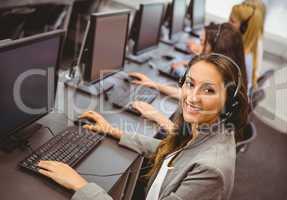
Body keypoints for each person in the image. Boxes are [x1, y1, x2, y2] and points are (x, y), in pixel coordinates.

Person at [37, 53, 249, 200]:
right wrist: (114, 131)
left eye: (208, 90)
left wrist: (80, 185)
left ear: (229, 101)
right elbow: (174, 153)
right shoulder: (211, 131)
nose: (192, 97)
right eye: (190, 84)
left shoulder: (211, 170)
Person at [229, 1, 265, 91]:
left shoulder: (241, 58)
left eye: (232, 21)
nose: (227, 23)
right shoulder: (245, 50)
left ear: (244, 28)